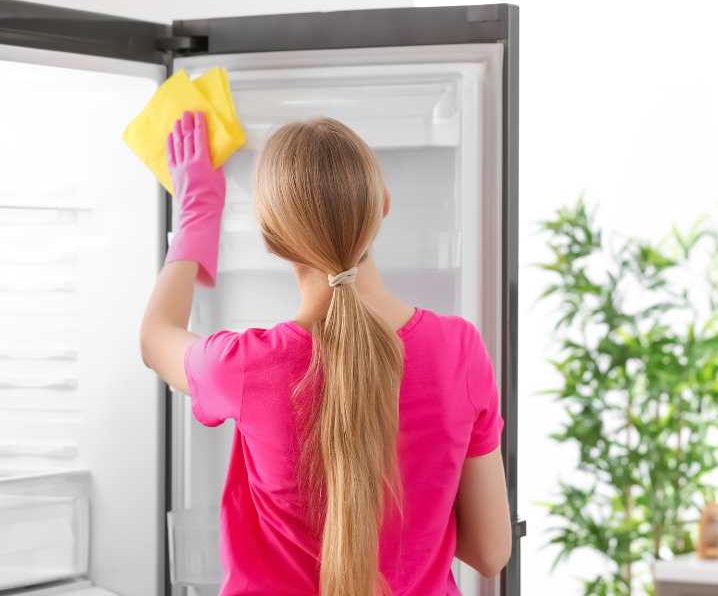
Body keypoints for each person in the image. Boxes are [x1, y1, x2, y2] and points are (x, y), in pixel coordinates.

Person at [140, 111, 511, 595]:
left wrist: (197, 213)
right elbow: (490, 551)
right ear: (383, 205)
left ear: (271, 240)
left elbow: (156, 337)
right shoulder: (458, 350)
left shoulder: (246, 366)